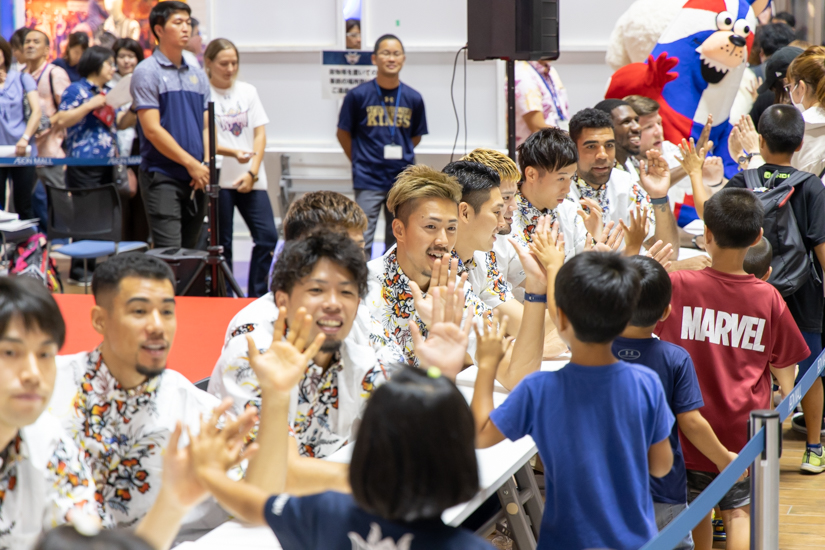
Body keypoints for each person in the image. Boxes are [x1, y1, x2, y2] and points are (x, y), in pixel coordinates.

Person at [473, 249, 675, 550]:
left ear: (561, 318)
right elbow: (660, 466)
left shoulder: (539, 389)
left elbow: (481, 435)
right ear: (626, 318)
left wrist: (487, 366)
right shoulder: (646, 384)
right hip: (635, 540)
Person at [194, 360, 495, 549]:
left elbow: (254, 505)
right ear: (460, 461)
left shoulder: (325, 512)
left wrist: (209, 473)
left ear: (366, 447)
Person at [655, 189, 810, 550]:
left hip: (688, 425)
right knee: (738, 512)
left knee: (696, 509)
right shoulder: (767, 297)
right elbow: (787, 359)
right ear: (758, 236)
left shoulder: (678, 285)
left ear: (706, 233)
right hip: (743, 429)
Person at [46, 253, 238, 536]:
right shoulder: (45, 387)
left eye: (167, 311)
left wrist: (276, 400)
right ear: (100, 320)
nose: (158, 326)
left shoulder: (194, 409)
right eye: (139, 312)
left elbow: (256, 499)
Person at [209, 232, 395, 466]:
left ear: (358, 304)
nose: (333, 304)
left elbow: (396, 443)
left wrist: (440, 370)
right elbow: (273, 474)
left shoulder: (361, 362)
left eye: (346, 292)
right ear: (282, 300)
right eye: (317, 290)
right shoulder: (253, 358)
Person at [723, 105, 825, 473]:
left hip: (748, 293)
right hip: (803, 295)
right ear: (799, 144)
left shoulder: (740, 183)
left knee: (750, 371)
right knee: (810, 369)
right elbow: (821, 248)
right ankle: (814, 448)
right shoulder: (810, 185)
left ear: (760, 141)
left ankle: (755, 452)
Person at [613, 256, 737, 550]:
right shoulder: (674, 358)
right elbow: (691, 422)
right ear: (667, 310)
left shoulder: (591, 352)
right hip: (661, 486)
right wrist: (722, 458)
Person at [364, 164, 490, 368]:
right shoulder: (364, 290)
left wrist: (535, 292)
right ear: (399, 230)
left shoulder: (455, 287)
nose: (443, 240)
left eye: (451, 228)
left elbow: (506, 363)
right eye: (431, 226)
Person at [336, 34, 428, 255]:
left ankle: (391, 286)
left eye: (396, 53)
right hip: (368, 178)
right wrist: (360, 160)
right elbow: (343, 134)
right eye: (385, 53)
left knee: (399, 239)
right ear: (374, 58)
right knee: (362, 238)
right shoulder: (357, 96)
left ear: (403, 59)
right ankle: (360, 285)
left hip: (402, 180)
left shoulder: (413, 97)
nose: (391, 58)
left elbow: (415, 137)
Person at [131, 1, 211, 249]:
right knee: (171, 255)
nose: (186, 28)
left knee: (192, 255)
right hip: (163, 175)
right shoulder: (147, 71)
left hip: (197, 177)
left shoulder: (196, 70)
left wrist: (204, 165)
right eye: (177, 23)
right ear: (159, 30)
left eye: (188, 22)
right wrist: (191, 164)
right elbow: (152, 130)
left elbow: (207, 124)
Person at [205, 37, 278, 298]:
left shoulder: (247, 91)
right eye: (224, 63)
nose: (230, 68)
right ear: (209, 63)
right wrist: (232, 152)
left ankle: (256, 294)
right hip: (219, 178)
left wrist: (253, 172)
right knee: (222, 244)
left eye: (234, 62)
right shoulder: (205, 93)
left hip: (250, 177)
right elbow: (206, 139)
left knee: (268, 236)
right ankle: (225, 297)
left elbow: (260, 134)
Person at [568, 107, 680, 256]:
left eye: (609, 145)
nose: (602, 155)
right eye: (591, 146)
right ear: (573, 149)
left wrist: (659, 196)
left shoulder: (624, 183)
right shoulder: (560, 191)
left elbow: (667, 255)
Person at [56, 46, 117, 188]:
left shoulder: (109, 92)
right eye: (109, 64)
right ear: (95, 62)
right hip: (83, 162)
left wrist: (133, 110)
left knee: (107, 209)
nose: (113, 69)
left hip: (109, 162)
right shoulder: (76, 89)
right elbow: (62, 119)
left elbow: (119, 122)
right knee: (87, 208)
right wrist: (89, 105)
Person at [23, 29, 70, 190]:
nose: (30, 45)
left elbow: (68, 109)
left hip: (52, 154)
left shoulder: (55, 74)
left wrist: (47, 123)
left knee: (59, 205)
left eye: (36, 42)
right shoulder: (20, 76)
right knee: (22, 207)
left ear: (46, 50)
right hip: (25, 155)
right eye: (27, 42)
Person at [0, 36, 41, 220]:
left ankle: (28, 246)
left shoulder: (23, 78)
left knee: (24, 205)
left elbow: (36, 111)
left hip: (22, 149)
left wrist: (25, 138)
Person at [513, 60, 569, 146]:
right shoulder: (523, 74)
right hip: (538, 152)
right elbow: (537, 127)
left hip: (558, 146)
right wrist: (575, 137)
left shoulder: (550, 71)